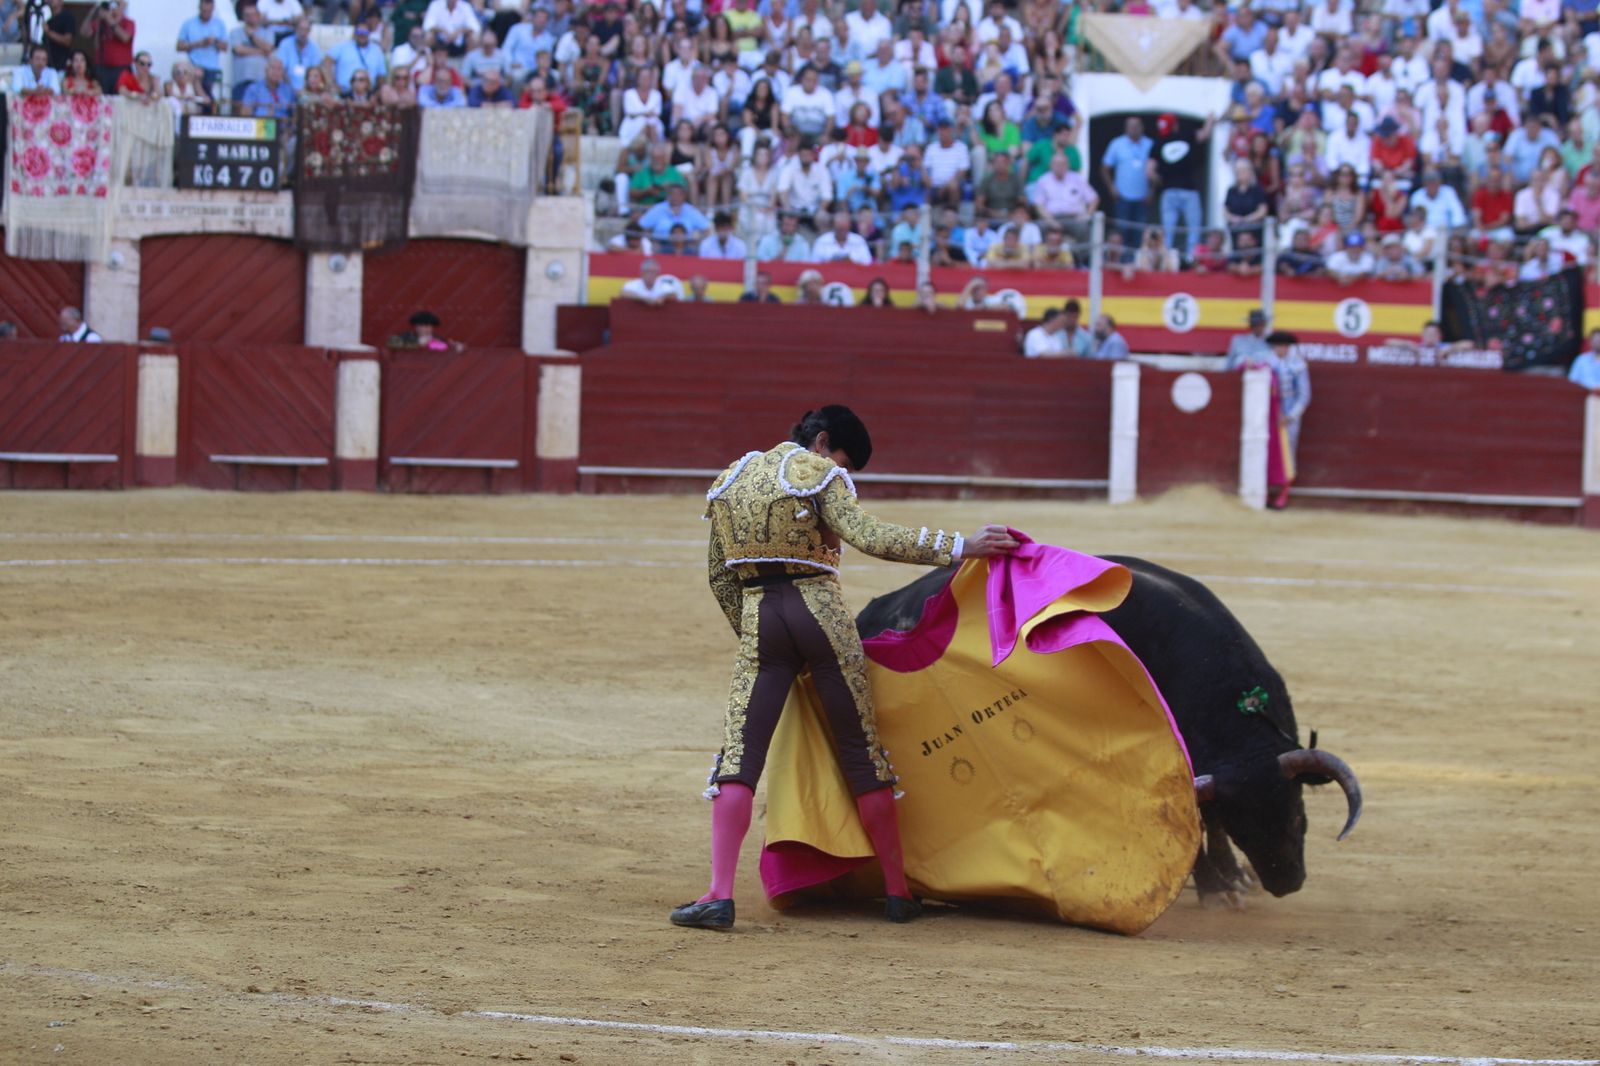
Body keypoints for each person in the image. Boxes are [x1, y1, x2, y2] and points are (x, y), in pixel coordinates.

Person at [674, 406, 1019, 930]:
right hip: (823, 617)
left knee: (740, 757)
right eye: (845, 461)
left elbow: (719, 578)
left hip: (760, 614)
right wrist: (961, 547)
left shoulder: (730, 481)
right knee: (861, 755)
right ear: (823, 441)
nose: (846, 472)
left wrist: (757, 645)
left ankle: (719, 894)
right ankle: (899, 892)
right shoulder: (821, 474)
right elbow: (869, 536)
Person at [1149, 112, 1214, 262]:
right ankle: (1192, 260)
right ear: (1176, 125)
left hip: (1169, 190)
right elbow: (1205, 134)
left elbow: (1149, 171)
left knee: (1168, 230)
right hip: (1189, 190)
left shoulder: (1158, 143)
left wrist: (1160, 179)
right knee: (1193, 229)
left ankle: (1167, 260)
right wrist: (1210, 119)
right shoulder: (1186, 136)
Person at [1101, 116, 1153, 246]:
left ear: (1142, 127)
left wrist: (1152, 191)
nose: (1133, 128)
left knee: (1140, 233)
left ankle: (1137, 262)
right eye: (1131, 125)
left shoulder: (1150, 144)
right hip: (1122, 196)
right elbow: (1105, 168)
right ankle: (1122, 263)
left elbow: (1156, 171)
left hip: (1143, 197)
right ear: (1126, 127)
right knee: (1121, 231)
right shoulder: (1116, 144)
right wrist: (1112, 188)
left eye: (1136, 125)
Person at [177, 0, 230, 99]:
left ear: (213, 9)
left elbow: (225, 47)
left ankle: (208, 104)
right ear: (199, 8)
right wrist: (199, 43)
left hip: (212, 69)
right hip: (194, 67)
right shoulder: (189, 24)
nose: (206, 13)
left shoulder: (220, 24)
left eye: (208, 11)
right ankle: (207, 102)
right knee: (196, 80)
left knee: (209, 91)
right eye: (204, 10)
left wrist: (214, 42)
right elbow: (179, 46)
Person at [87, 0, 136, 97]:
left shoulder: (128, 22)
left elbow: (125, 37)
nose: (114, 7)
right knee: (102, 98)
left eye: (117, 4)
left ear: (124, 6)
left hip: (121, 69)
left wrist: (110, 21)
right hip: (102, 68)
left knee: (120, 98)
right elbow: (85, 32)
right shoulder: (101, 22)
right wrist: (94, 11)